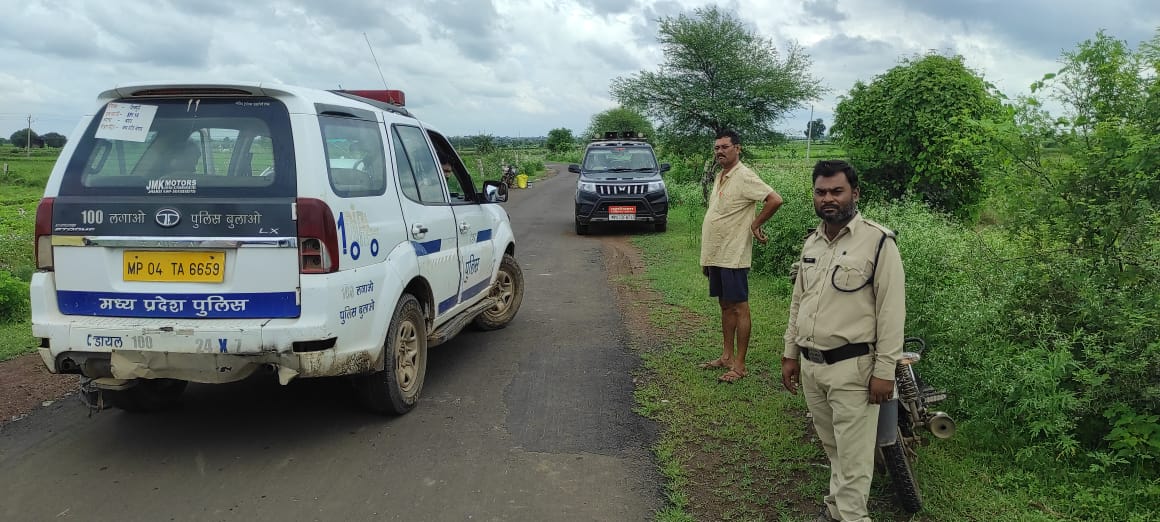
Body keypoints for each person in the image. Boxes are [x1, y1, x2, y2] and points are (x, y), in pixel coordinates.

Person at [781, 160, 905, 522]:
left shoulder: (878, 242)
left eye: (837, 191)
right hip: (812, 367)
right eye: (821, 192)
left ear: (855, 193)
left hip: (854, 369)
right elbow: (798, 301)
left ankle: (850, 515)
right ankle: (835, 509)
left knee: (853, 459)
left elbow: (891, 312)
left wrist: (886, 371)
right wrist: (790, 353)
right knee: (834, 448)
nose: (828, 199)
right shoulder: (813, 241)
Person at [699, 129, 783, 383]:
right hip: (716, 253)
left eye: (725, 147)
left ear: (738, 148)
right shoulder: (720, 176)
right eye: (716, 148)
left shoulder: (745, 176)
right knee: (724, 305)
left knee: (739, 307)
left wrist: (755, 224)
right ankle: (726, 356)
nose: (720, 151)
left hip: (733, 254)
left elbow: (774, 200)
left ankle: (740, 365)